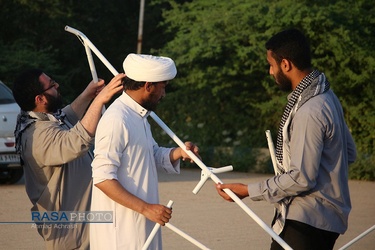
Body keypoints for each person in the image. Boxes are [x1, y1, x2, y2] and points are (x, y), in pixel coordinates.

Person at [215, 29, 357, 250]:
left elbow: (301, 178)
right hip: (327, 220)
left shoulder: (310, 110)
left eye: (271, 64)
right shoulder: (328, 96)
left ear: (286, 64)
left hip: (307, 222)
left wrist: (247, 190)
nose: (270, 72)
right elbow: (349, 153)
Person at [90, 53, 200, 249]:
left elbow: (150, 155)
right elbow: (102, 178)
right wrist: (147, 208)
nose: (164, 94)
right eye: (163, 87)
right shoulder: (117, 119)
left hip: (142, 225)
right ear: (148, 86)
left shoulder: (138, 116)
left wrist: (180, 152)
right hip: (121, 234)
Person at [13, 69, 124, 250]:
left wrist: (88, 95)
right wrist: (100, 100)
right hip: (70, 234)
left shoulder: (42, 119)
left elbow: (68, 117)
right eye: (52, 85)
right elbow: (76, 141)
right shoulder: (36, 135)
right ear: (39, 99)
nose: (57, 85)